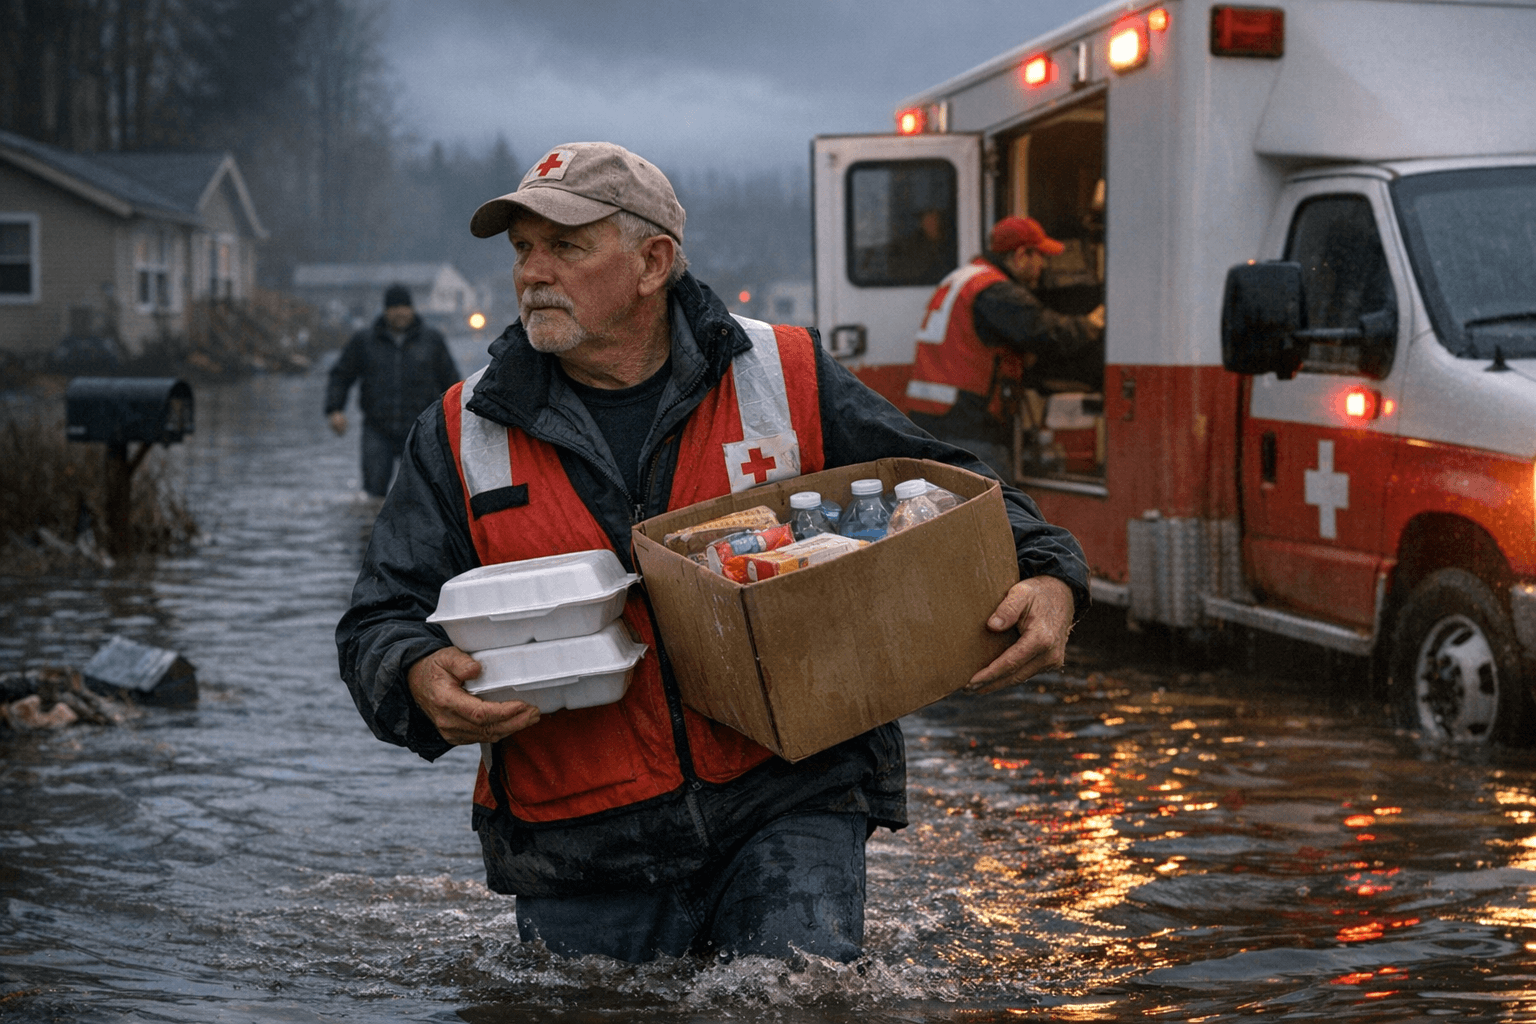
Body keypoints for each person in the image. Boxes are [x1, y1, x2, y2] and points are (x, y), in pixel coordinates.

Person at [335, 142, 1090, 965]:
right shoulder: (458, 431)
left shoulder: (783, 371)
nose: (531, 273)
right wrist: (415, 674)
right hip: (582, 838)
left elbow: (946, 486)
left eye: (566, 246)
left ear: (653, 261)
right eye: (522, 250)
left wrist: (1050, 571)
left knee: (795, 1008)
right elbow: (380, 617)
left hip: (791, 792)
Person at [904, 215, 1105, 476]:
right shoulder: (995, 291)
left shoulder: (962, 278)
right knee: (993, 509)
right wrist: (1092, 322)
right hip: (970, 429)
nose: (1043, 265)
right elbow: (1047, 332)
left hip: (932, 421)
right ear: (1021, 255)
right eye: (1040, 256)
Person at [324, 283, 461, 497]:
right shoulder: (364, 341)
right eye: (394, 307)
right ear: (385, 310)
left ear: (412, 309)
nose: (400, 312)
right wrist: (335, 410)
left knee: (425, 495)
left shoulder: (432, 340)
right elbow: (341, 375)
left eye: (404, 307)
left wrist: (457, 420)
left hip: (421, 430)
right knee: (373, 496)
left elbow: (451, 382)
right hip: (377, 430)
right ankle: (369, 529)